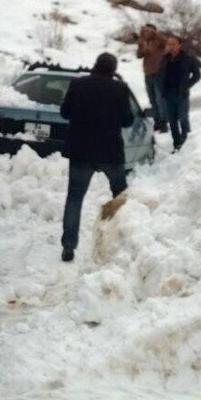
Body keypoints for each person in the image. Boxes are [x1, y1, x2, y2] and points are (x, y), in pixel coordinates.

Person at [58, 53, 134, 262]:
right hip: (110, 153)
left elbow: (64, 113)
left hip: (81, 151)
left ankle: (68, 246)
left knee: (74, 198)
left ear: (95, 65)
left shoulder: (77, 84)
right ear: (113, 69)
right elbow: (128, 120)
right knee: (120, 197)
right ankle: (122, 241)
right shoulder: (120, 89)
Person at [161, 35, 201, 152]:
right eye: (169, 44)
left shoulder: (187, 58)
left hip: (181, 94)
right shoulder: (165, 59)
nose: (171, 47)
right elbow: (160, 75)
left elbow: (197, 75)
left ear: (179, 45)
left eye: (173, 44)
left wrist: (186, 85)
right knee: (172, 120)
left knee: (183, 117)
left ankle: (185, 139)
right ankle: (176, 143)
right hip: (168, 94)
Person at [136, 24, 168, 133]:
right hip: (148, 74)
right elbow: (139, 55)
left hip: (159, 73)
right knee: (152, 99)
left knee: (160, 99)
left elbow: (165, 41)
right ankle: (157, 121)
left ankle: (164, 123)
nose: (147, 33)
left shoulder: (159, 40)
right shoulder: (145, 42)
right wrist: (141, 45)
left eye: (149, 31)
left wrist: (154, 33)